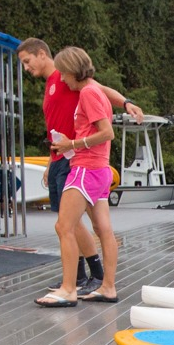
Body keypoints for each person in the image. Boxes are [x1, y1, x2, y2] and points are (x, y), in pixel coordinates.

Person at [17, 37, 139, 296]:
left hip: (80, 160)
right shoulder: (55, 83)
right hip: (65, 157)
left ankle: (79, 282)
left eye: (27, 61)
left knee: (67, 224)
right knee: (80, 224)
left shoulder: (72, 81)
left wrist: (126, 102)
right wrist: (52, 159)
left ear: (41, 54)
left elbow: (101, 92)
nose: (26, 68)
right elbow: (55, 126)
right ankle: (90, 280)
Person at [36, 47, 120, 308]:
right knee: (103, 229)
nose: (61, 79)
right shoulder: (95, 91)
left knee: (64, 226)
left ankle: (68, 289)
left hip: (85, 168)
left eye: (62, 73)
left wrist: (73, 143)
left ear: (72, 71)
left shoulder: (88, 93)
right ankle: (107, 287)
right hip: (100, 170)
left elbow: (107, 133)